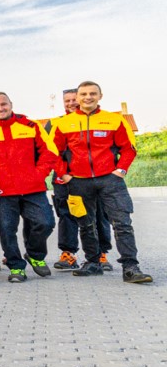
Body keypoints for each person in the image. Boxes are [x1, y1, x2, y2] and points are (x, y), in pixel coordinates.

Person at [52, 81, 150, 283]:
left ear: (100, 96)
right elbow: (54, 152)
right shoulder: (62, 123)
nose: (88, 97)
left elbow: (129, 149)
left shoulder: (114, 120)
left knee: (122, 223)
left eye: (92, 93)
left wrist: (120, 171)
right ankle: (93, 263)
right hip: (78, 182)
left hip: (110, 181)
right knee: (86, 224)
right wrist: (65, 174)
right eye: (84, 94)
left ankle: (131, 267)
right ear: (78, 98)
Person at [0, 93, 58, 283]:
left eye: (3, 104)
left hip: (33, 188)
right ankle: (16, 267)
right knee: (6, 229)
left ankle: (34, 254)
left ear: (11, 104)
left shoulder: (31, 125)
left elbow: (50, 152)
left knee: (45, 223)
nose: (0, 108)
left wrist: (38, 174)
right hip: (2, 192)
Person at [46, 88, 113, 271]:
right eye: (66, 101)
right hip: (63, 179)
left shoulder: (97, 121)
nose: (71, 103)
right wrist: (62, 173)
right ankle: (68, 254)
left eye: (73, 99)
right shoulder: (54, 124)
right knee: (66, 214)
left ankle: (101, 254)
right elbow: (49, 152)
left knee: (98, 214)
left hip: (92, 178)